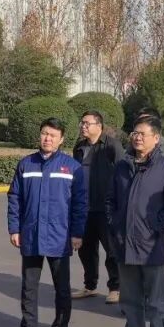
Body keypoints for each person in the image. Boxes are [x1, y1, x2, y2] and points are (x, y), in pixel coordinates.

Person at [106, 116, 164, 327]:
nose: (137, 137)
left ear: (156, 138)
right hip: (125, 245)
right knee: (130, 300)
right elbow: (110, 200)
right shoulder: (122, 166)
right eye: (134, 133)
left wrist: (155, 228)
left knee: (157, 303)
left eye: (142, 134)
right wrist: (115, 225)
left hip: (153, 248)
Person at [7, 118, 87, 327]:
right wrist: (15, 228)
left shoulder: (72, 167)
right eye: (44, 133)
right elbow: (14, 198)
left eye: (53, 135)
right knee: (29, 287)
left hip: (59, 237)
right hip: (31, 235)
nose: (47, 138)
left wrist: (77, 233)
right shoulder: (26, 164)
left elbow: (80, 204)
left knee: (61, 288)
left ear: (61, 140)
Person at [71, 110, 126, 304]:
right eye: (82, 123)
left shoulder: (112, 145)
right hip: (84, 207)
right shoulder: (79, 147)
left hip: (106, 208)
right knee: (86, 250)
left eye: (87, 123)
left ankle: (116, 288)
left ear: (99, 126)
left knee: (112, 250)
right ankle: (90, 286)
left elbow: (123, 174)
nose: (83, 126)